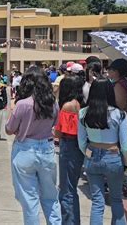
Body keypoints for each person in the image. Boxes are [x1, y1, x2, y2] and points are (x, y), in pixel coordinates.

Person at [6, 66, 61, 225]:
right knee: (51, 197)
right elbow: (55, 124)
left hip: (25, 150)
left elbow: (9, 129)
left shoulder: (23, 104)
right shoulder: (53, 103)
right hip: (47, 148)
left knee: (29, 201)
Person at [78, 78, 127, 224]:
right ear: (109, 91)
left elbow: (81, 142)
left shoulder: (83, 113)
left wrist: (88, 154)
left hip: (92, 156)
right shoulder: (119, 115)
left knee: (97, 202)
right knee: (116, 199)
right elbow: (126, 145)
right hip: (113, 156)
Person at [55, 75, 84, 224]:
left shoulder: (68, 106)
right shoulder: (80, 103)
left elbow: (61, 132)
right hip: (78, 148)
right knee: (71, 188)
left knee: (66, 190)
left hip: (69, 146)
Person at [107, 58, 127, 128]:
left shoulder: (119, 85)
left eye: (110, 70)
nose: (108, 72)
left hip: (117, 121)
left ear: (116, 71)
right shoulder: (123, 82)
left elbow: (119, 106)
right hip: (121, 119)